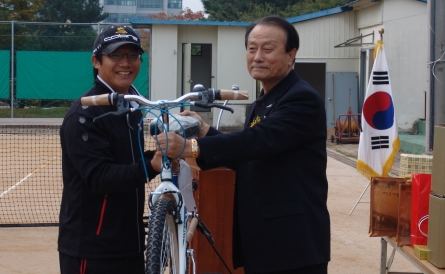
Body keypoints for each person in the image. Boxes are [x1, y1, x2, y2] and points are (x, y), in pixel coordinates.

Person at [156, 16, 330, 273]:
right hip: (264, 240)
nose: (257, 56)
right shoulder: (265, 99)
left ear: (291, 55)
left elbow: (258, 141)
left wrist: (191, 147)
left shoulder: (301, 98)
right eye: (252, 48)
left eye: (267, 49)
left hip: (292, 244)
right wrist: (206, 131)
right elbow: (248, 154)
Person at [58, 25, 166, 274]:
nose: (125, 63)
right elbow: (100, 177)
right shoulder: (84, 115)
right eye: (116, 55)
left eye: (132, 55)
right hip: (93, 250)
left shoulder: (131, 107)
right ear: (96, 61)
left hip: (130, 244)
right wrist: (152, 165)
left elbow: (130, 164)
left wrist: (160, 154)